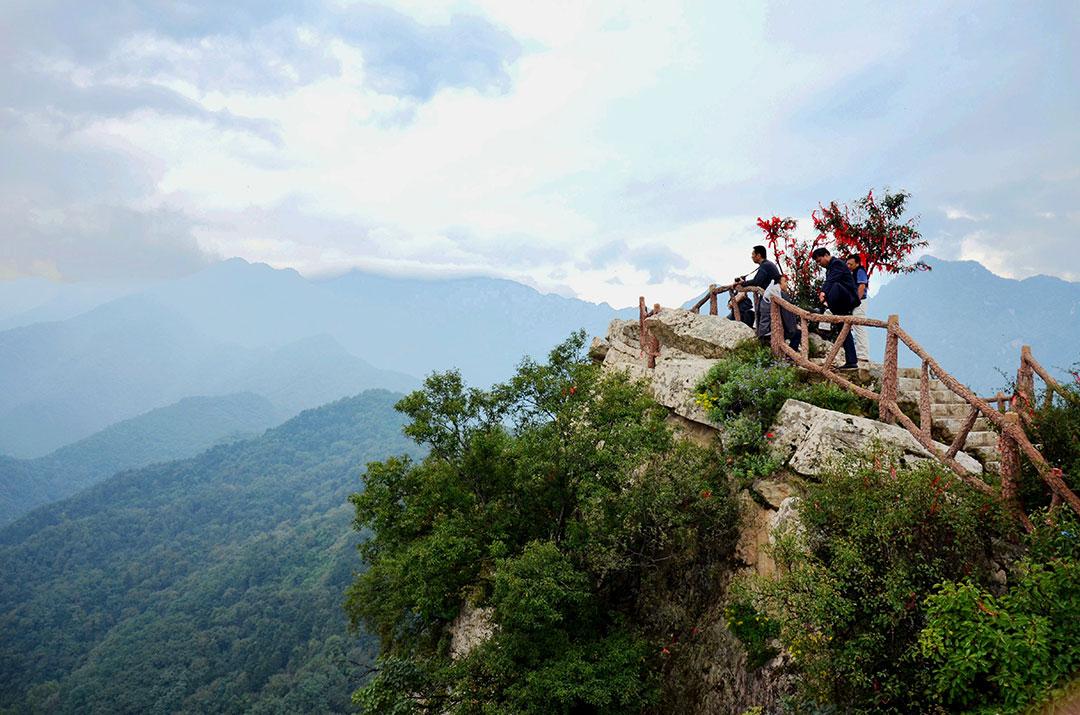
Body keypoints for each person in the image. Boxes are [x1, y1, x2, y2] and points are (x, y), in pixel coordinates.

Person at [812, 247, 859, 369]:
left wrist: (823, 292)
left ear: (826, 255)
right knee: (843, 330)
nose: (819, 264)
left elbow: (832, 280)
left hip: (847, 298)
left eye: (819, 260)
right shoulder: (830, 269)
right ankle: (851, 360)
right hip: (840, 302)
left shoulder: (837, 264)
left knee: (835, 286)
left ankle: (826, 310)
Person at [730, 245, 780, 330]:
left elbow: (757, 281)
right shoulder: (767, 265)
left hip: (770, 297)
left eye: (753, 254)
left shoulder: (765, 266)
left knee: (762, 316)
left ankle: (764, 336)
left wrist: (742, 284)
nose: (751, 256)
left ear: (758, 255)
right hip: (772, 295)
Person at [757, 274, 801, 351]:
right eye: (785, 281)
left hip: (763, 330)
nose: (786, 284)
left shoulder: (769, 293)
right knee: (797, 333)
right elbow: (787, 315)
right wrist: (793, 328)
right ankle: (790, 356)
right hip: (771, 332)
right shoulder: (780, 295)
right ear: (779, 283)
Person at [846, 255, 870, 364]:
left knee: (859, 327)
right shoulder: (853, 273)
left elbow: (861, 286)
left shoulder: (860, 271)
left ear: (857, 263)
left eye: (851, 264)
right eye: (848, 263)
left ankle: (863, 355)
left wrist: (856, 300)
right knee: (855, 327)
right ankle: (859, 354)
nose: (848, 266)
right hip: (855, 302)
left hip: (859, 303)